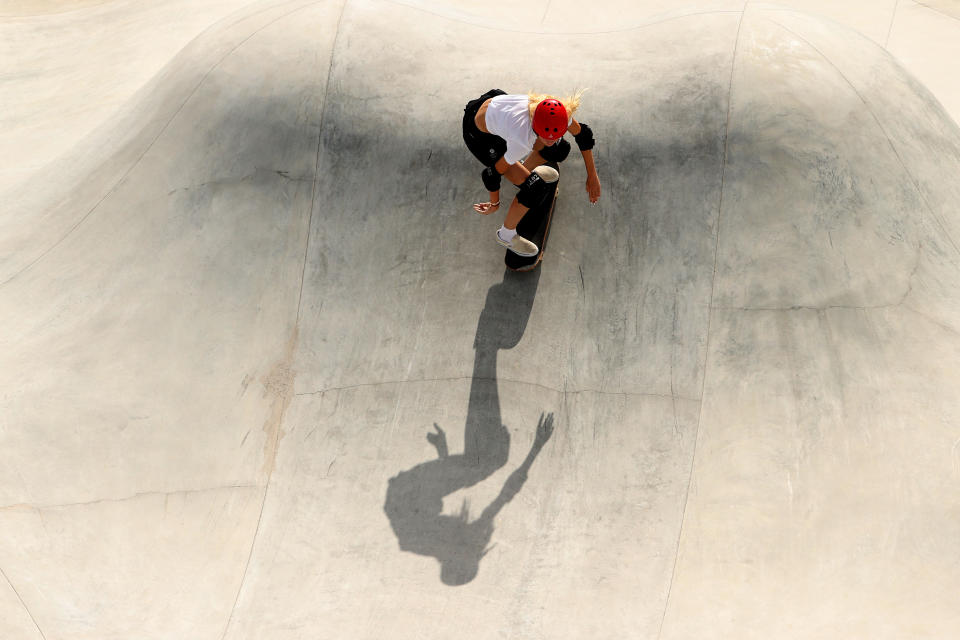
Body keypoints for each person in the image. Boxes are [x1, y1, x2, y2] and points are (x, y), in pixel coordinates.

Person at [462, 89, 602, 256]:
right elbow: (491, 175)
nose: (551, 141)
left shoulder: (560, 112)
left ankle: (523, 171)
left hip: (496, 108)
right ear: (535, 130)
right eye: (545, 137)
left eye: (556, 135)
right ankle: (506, 235)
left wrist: (592, 176)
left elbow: (584, 135)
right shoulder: (522, 140)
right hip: (478, 135)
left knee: (559, 149)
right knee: (535, 189)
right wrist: (494, 204)